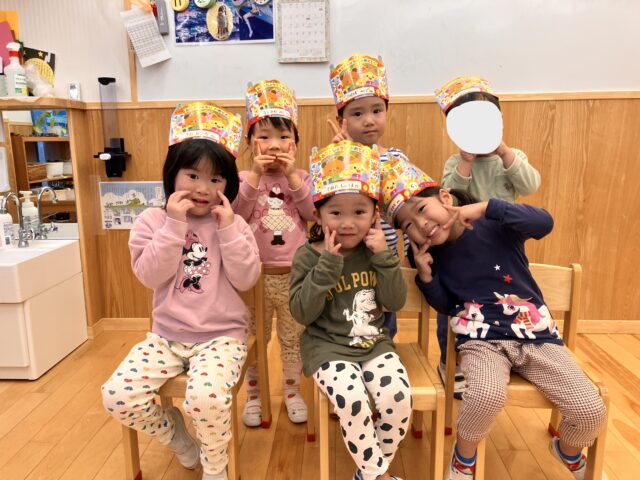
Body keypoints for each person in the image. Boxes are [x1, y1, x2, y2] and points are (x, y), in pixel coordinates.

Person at [382, 158, 607, 480]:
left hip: (537, 336)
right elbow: (446, 306)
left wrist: (488, 207)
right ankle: (464, 458)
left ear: (445, 197)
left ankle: (567, 451)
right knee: (485, 395)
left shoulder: (495, 223)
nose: (421, 225)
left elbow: (543, 222)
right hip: (480, 340)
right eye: (408, 226)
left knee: (591, 410)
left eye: (421, 210)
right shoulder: (432, 254)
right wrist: (426, 275)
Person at [101, 102, 261, 480]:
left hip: (222, 337)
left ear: (228, 185)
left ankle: (215, 468)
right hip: (166, 338)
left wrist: (227, 229)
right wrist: (173, 226)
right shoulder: (152, 221)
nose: (203, 188)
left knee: (206, 399)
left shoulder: (234, 224)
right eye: (192, 175)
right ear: (172, 174)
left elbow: (247, 279)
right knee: (116, 395)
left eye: (216, 179)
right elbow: (150, 275)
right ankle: (176, 435)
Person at [289, 140, 411, 480]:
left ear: (375, 214)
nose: (348, 223)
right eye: (336, 213)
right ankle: (378, 475)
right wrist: (328, 265)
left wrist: (384, 257)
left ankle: (368, 473)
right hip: (326, 348)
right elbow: (302, 313)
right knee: (353, 400)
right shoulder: (307, 256)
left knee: (399, 398)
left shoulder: (376, 252)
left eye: (359, 212)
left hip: (374, 344)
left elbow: (396, 302)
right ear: (317, 214)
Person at [435, 75, 542, 397]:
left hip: (504, 246)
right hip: (464, 245)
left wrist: (504, 151)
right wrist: (465, 162)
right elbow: (450, 196)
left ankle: (505, 355)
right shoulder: (455, 162)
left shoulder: (512, 157)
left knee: (507, 300)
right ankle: (449, 361)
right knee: (454, 301)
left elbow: (530, 185)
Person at [234, 79, 314, 427]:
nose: (274, 145)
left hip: (295, 276)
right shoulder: (243, 178)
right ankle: (254, 396)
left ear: (295, 142)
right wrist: (254, 174)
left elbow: (313, 213)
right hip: (255, 278)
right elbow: (237, 215)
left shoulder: (303, 178)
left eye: (283, 136)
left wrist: (292, 177)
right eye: (264, 136)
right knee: (254, 339)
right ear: (250, 143)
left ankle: (292, 392)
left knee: (293, 338)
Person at [327, 53, 409, 338]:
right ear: (341, 120)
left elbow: (405, 209)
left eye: (376, 110)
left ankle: (385, 351)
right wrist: (341, 156)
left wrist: (408, 255)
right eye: (357, 114)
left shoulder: (396, 159)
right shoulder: (332, 159)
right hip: (346, 259)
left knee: (385, 320)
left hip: (384, 255)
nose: (369, 120)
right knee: (348, 318)